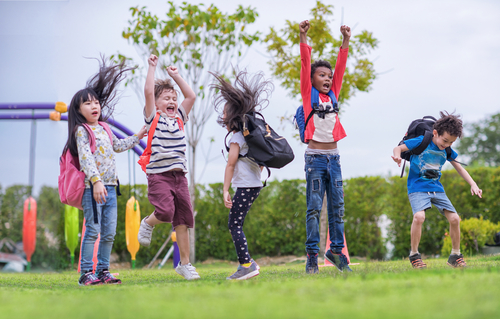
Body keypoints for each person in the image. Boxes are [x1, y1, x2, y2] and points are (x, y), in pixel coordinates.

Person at [62, 57, 146, 286]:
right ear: (78, 110)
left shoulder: (106, 128)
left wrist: (138, 135)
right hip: (94, 188)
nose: (94, 106)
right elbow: (86, 159)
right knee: (93, 230)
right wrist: (97, 182)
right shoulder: (82, 131)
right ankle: (85, 273)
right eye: (87, 103)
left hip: (111, 188)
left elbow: (117, 146)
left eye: (96, 102)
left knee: (109, 233)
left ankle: (103, 271)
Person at [392, 111, 482, 268]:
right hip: (417, 187)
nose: (447, 145)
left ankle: (455, 256)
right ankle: (414, 255)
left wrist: (473, 184)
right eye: (445, 140)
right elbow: (398, 148)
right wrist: (397, 156)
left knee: (455, 219)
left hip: (436, 188)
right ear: (435, 133)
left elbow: (460, 168)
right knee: (419, 217)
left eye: (451, 143)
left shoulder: (446, 150)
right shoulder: (422, 141)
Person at [136, 54, 199, 280]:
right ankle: (148, 222)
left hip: (179, 176)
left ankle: (185, 264)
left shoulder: (180, 118)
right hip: (159, 175)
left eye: (174, 98)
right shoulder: (154, 118)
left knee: (183, 219)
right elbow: (147, 92)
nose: (172, 101)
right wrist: (152, 67)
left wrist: (176, 76)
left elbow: (190, 95)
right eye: (166, 98)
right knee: (165, 212)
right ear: (157, 103)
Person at [299, 20, 352, 273]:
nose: (328, 79)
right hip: (315, 160)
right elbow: (304, 65)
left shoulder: (334, 95)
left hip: (335, 159)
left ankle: (336, 252)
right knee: (313, 208)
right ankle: (312, 255)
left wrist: (345, 41)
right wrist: (303, 38)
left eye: (329, 76)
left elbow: (341, 67)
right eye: (322, 75)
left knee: (338, 209)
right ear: (312, 79)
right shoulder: (308, 96)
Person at [211, 70, 273, 280]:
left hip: (246, 186)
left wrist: (225, 189)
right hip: (254, 184)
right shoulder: (250, 136)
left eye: (224, 112)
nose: (222, 115)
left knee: (234, 224)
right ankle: (248, 262)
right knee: (236, 222)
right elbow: (262, 161)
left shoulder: (236, 137)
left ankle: (246, 264)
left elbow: (230, 165)